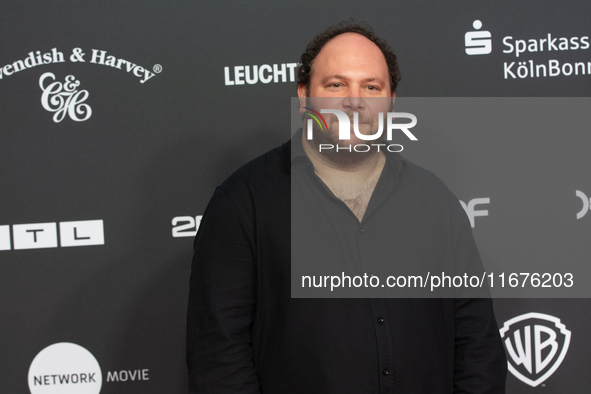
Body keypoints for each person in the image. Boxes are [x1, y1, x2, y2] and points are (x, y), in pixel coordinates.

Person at [187, 20, 507, 393]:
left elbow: (477, 342)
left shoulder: (434, 199)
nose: (355, 100)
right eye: (336, 84)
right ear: (304, 96)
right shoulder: (243, 203)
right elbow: (218, 358)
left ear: (390, 102)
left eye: (371, 87)